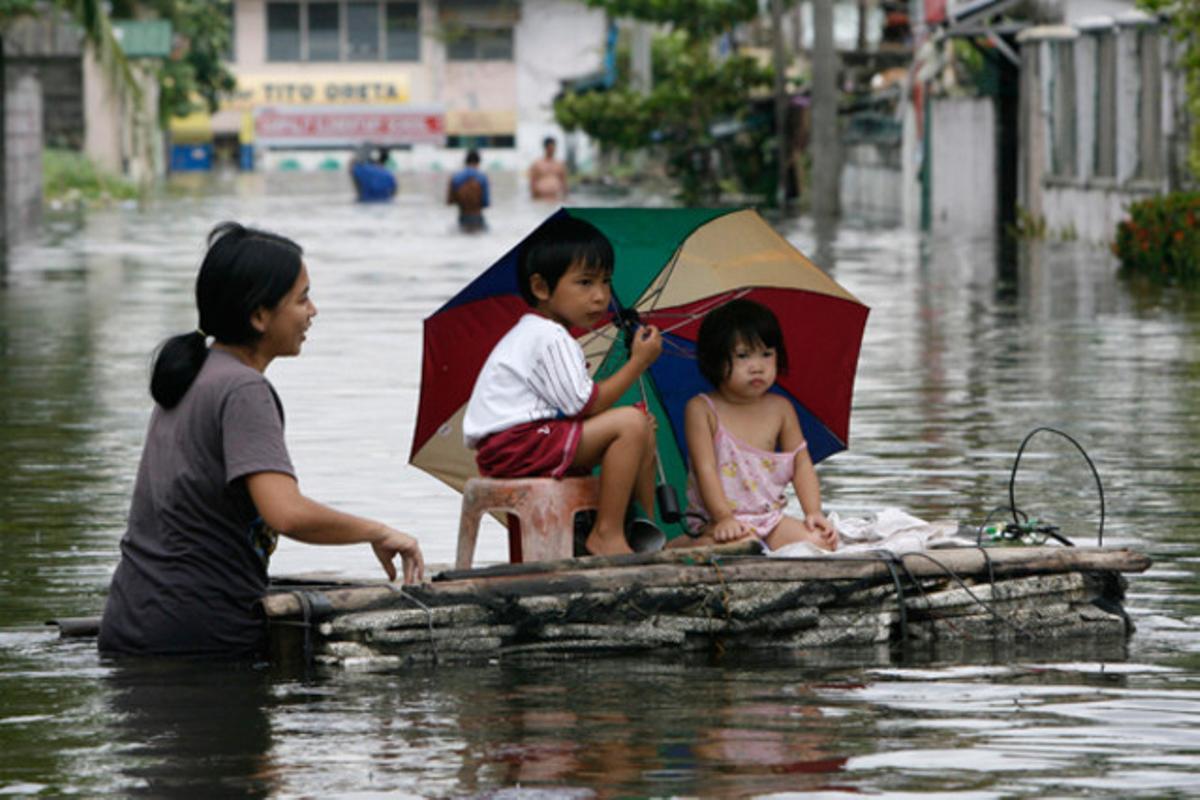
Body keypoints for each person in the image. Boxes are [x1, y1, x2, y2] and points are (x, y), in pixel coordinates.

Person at [98, 222, 424, 659]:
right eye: (302, 297)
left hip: (131, 622)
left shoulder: (191, 374)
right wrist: (378, 531)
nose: (313, 311)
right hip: (197, 636)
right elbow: (285, 513)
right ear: (259, 316)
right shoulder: (242, 390)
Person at [462, 215, 663, 557]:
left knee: (640, 425)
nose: (600, 296)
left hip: (518, 444)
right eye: (585, 283)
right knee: (630, 423)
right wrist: (638, 363)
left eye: (605, 282)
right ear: (541, 288)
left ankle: (642, 527)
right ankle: (608, 535)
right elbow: (585, 405)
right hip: (518, 445)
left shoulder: (544, 334)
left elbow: (574, 407)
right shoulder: (548, 335)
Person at [671, 298, 838, 552]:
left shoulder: (781, 408)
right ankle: (684, 544)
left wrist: (813, 512)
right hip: (716, 521)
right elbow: (705, 469)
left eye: (766, 354)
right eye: (743, 356)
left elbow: (801, 463)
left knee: (820, 544)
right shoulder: (702, 409)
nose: (757, 366)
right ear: (716, 360)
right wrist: (723, 518)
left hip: (769, 519)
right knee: (744, 547)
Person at [447, 149, 490, 232]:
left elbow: (449, 201)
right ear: (478, 162)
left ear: (465, 162)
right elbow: (486, 203)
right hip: (477, 216)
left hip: (462, 216)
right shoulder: (482, 177)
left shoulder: (455, 177)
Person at [529, 136, 568, 201]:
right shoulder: (537, 164)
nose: (552, 150)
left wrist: (566, 197)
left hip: (556, 197)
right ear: (545, 148)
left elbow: (564, 182)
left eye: (553, 147)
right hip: (541, 198)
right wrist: (534, 197)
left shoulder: (560, 164)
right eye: (550, 147)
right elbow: (532, 182)